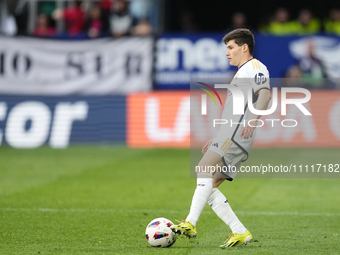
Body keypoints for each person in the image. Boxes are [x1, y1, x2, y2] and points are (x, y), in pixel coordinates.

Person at [170, 29, 272, 248]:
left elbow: (265, 93)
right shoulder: (242, 72)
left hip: (236, 134)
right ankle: (239, 232)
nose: (227, 52)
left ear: (244, 48)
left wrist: (253, 120)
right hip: (230, 133)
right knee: (210, 186)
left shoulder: (254, 67)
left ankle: (190, 222)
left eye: (231, 47)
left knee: (202, 167)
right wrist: (218, 136)